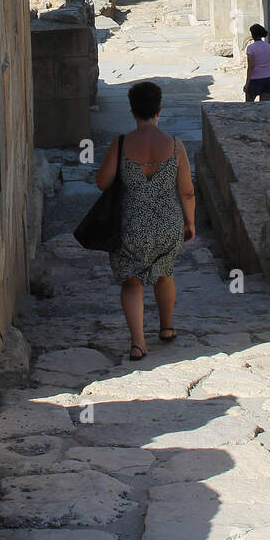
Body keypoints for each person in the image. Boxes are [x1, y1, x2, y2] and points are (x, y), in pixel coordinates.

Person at [95, 80, 196, 361]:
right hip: (168, 223)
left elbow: (103, 183)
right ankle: (166, 327)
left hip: (129, 225)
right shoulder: (176, 146)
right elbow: (187, 191)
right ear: (159, 110)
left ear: (132, 111)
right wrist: (190, 222)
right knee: (165, 271)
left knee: (131, 282)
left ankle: (138, 343)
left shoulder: (122, 143)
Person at [244, 23, 270, 102]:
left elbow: (251, 66)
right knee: (264, 105)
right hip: (268, 78)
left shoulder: (250, 48)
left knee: (249, 105)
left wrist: (247, 83)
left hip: (255, 79)